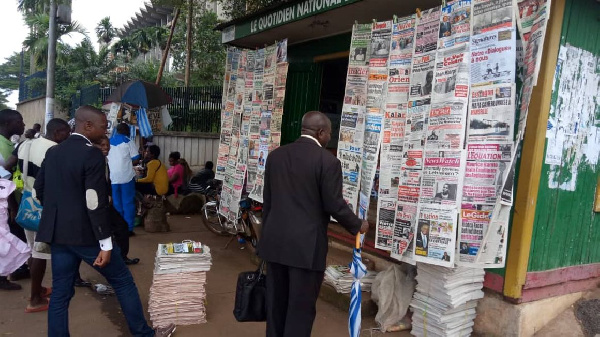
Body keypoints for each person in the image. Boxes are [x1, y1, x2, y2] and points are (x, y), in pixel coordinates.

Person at [33, 106, 174, 337]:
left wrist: (64, 211)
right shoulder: (91, 154)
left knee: (60, 292)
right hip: (87, 235)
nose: (105, 129)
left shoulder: (54, 152)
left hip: (58, 234)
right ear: (87, 126)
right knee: (123, 281)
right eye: (102, 125)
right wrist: (106, 244)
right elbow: (94, 202)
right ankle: (144, 334)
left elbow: (39, 190)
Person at [258, 111, 369, 337]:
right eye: (329, 133)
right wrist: (358, 225)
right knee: (300, 309)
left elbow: (267, 202)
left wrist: (264, 239)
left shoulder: (276, 156)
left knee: (276, 305)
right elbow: (334, 205)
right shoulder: (327, 162)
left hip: (274, 243)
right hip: (306, 249)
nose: (330, 137)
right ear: (320, 132)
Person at [15, 118, 71, 312]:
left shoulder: (27, 144)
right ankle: (34, 299)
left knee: (32, 249)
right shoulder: (54, 151)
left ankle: (37, 288)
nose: (69, 137)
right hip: (42, 206)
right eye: (67, 133)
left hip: (26, 202)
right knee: (40, 252)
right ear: (57, 133)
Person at [95, 135, 139, 266]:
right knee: (126, 206)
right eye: (102, 146)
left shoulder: (104, 160)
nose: (106, 148)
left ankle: (121, 256)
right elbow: (136, 158)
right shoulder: (96, 161)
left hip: (109, 190)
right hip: (98, 201)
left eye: (107, 146)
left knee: (120, 222)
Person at [0, 109, 26, 290]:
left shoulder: (8, 144)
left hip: (10, 200)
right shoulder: (2, 147)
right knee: (5, 240)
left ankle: (16, 270)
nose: (23, 125)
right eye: (19, 121)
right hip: (6, 201)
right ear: (8, 124)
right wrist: (12, 206)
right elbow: (3, 178)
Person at [107, 123, 140, 235]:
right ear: (127, 131)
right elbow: (136, 159)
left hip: (114, 178)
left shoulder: (108, 142)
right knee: (128, 203)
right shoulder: (128, 141)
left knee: (116, 204)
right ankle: (128, 229)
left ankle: (118, 228)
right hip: (127, 177)